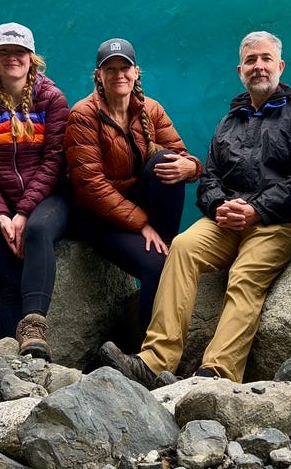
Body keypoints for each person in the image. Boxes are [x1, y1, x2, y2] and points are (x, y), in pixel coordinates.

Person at [99, 31, 291, 388]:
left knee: (244, 275)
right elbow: (209, 178)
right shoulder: (229, 122)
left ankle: (217, 372)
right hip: (226, 220)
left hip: (277, 221)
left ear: (280, 66)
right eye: (250, 61)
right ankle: (155, 361)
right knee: (181, 248)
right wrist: (220, 205)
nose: (258, 67)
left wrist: (255, 209)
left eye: (265, 59)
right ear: (240, 69)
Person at [64, 38, 202, 332]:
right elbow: (90, 186)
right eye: (110, 69)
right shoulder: (83, 115)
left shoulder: (150, 109)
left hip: (135, 210)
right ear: (98, 76)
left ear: (136, 72)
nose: (118, 75)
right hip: (97, 215)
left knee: (166, 160)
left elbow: (180, 154)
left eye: (124, 68)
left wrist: (192, 166)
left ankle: (162, 245)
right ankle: (144, 349)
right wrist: (141, 223)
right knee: (157, 265)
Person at [0, 23, 70, 360]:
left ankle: (34, 330)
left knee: (37, 231)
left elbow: (54, 162)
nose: (12, 58)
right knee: (9, 282)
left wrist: (23, 212)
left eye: (19, 53)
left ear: (31, 59)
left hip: (50, 198)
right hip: (0, 204)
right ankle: (7, 361)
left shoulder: (51, 99)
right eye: (4, 52)